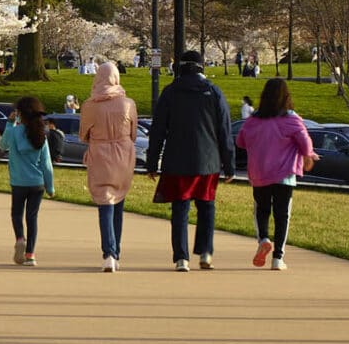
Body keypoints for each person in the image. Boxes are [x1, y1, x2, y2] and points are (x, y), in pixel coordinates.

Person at [147, 49, 235, 272]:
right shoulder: (213, 92)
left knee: (180, 209)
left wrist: (152, 162)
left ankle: (181, 257)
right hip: (208, 160)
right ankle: (205, 252)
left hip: (177, 159)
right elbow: (224, 130)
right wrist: (229, 165)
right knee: (207, 206)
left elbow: (157, 130)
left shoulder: (170, 92)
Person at [235, 76, 314, 270]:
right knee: (282, 214)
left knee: (261, 210)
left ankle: (263, 239)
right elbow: (305, 143)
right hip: (285, 175)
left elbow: (240, 142)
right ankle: (278, 257)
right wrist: (308, 156)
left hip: (259, 173)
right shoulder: (291, 119)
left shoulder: (253, 120)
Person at [81, 59, 138, 272]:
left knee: (105, 202)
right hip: (123, 155)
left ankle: (109, 253)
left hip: (100, 154)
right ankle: (116, 252)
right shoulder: (128, 104)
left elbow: (82, 135)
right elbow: (133, 133)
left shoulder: (89, 106)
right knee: (119, 202)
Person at [3, 94, 58, 265]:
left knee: (16, 213)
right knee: (32, 217)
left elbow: (2, 145)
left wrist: (9, 123)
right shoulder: (41, 135)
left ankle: (20, 238)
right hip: (37, 183)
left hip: (18, 182)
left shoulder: (13, 131)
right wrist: (50, 187)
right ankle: (30, 255)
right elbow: (47, 164)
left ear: (20, 114)